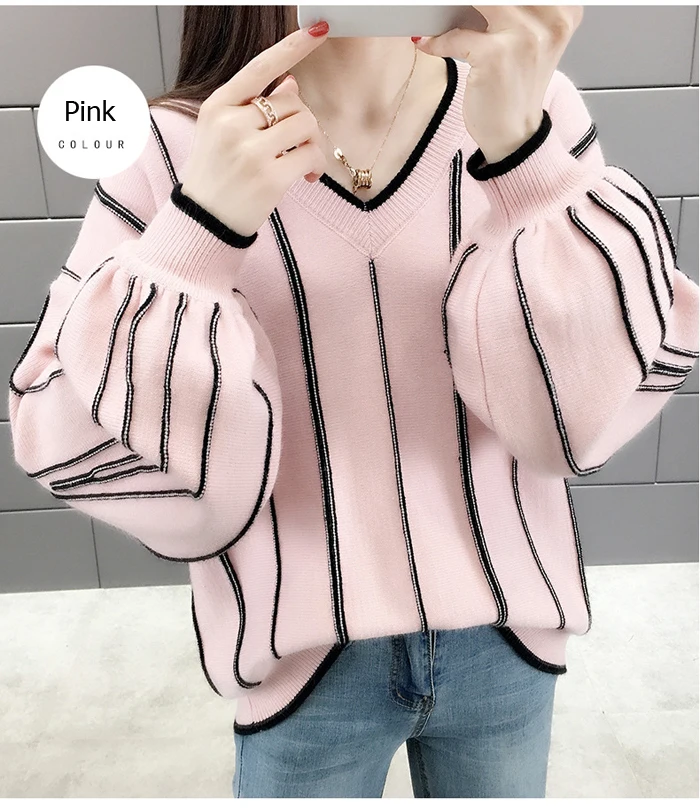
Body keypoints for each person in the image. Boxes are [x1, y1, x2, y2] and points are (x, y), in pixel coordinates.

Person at [8, 5, 698, 799]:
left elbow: (580, 406)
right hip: (304, 670)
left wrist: (527, 158)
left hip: (507, 642)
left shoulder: (527, 99)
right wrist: (199, 234)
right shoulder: (173, 149)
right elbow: (67, 421)